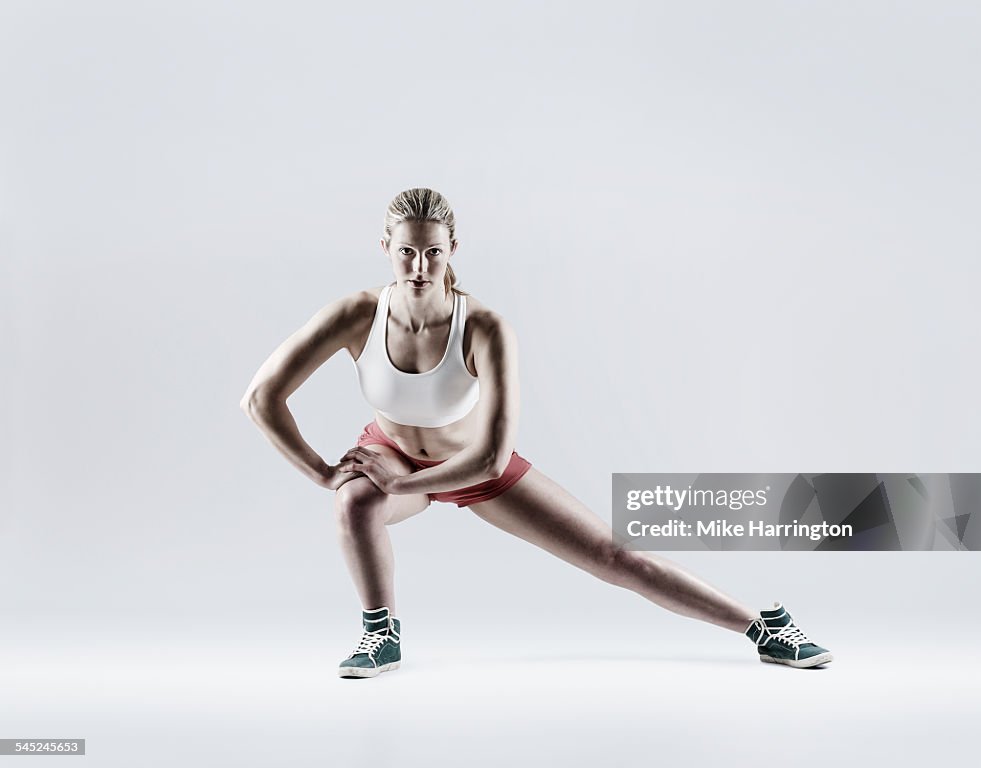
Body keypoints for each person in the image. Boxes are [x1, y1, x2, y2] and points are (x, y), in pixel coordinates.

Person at [240, 188, 833, 677]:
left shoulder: (486, 328)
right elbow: (261, 397)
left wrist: (399, 485)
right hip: (392, 454)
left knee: (615, 557)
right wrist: (325, 472)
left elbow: (492, 459)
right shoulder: (355, 315)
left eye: (433, 254)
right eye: (406, 254)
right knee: (353, 499)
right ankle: (381, 634)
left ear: (452, 250)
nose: (419, 268)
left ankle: (763, 625)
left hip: (475, 467)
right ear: (385, 249)